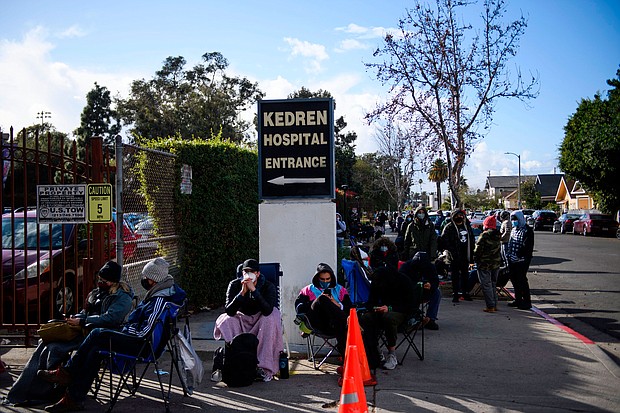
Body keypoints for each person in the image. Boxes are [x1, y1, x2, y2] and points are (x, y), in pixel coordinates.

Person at [37, 257, 186, 413]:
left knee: (98, 334)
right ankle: (73, 397)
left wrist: (123, 331)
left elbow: (145, 332)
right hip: (136, 338)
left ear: (152, 280)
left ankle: (67, 373)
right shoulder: (158, 294)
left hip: (142, 344)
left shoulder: (160, 300)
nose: (143, 280)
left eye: (145, 278)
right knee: (95, 350)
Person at [2, 261, 133, 407]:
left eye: (104, 281)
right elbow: (85, 312)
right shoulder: (96, 293)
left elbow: (111, 318)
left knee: (56, 348)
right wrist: (75, 318)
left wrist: (83, 321)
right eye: (99, 279)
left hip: (98, 333)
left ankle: (51, 390)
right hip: (83, 330)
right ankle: (23, 392)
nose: (100, 282)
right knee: (46, 344)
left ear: (113, 281)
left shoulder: (122, 297)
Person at [213, 259, 283, 382]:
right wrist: (242, 293)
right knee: (226, 320)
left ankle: (263, 366)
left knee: (271, 318)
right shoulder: (234, 285)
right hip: (242, 318)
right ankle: (237, 357)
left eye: (252, 272)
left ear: (257, 274)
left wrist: (255, 291)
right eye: (246, 271)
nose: (248, 274)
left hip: (261, 317)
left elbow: (267, 310)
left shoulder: (268, 286)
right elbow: (229, 311)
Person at [360, 267, 418, 371]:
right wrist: (374, 308)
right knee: (366, 318)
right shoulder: (377, 281)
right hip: (381, 311)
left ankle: (392, 354)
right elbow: (370, 302)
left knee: (389, 318)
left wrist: (390, 308)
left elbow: (410, 305)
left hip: (401, 312)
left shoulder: (403, 281)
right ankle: (375, 350)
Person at [295, 263, 352, 354]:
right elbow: (299, 308)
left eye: (328, 279)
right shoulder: (308, 290)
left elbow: (350, 308)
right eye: (322, 279)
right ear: (317, 278)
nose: (325, 281)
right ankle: (352, 324)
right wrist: (318, 302)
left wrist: (336, 304)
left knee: (341, 322)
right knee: (322, 299)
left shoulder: (340, 290)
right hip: (317, 322)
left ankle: (346, 357)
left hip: (335, 324)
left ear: (332, 278)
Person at [398, 251, 441, 330]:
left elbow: (435, 281)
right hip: (409, 292)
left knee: (437, 292)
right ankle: (413, 318)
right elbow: (401, 282)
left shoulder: (430, 267)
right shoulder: (406, 267)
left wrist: (431, 285)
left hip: (425, 291)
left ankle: (431, 319)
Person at [441, 209, 475, 303]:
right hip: (454, 257)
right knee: (455, 277)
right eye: (457, 215)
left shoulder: (467, 227)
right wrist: (452, 251)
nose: (459, 217)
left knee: (465, 275)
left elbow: (471, 240)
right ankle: (455, 294)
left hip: (465, 255)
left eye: (461, 215)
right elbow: (444, 241)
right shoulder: (449, 227)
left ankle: (465, 293)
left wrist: (471, 255)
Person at [506, 211, 535, 310]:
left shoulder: (527, 230)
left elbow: (527, 246)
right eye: (512, 219)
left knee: (522, 280)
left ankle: (527, 302)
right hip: (512, 259)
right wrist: (509, 255)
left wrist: (520, 255)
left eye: (516, 219)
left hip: (522, 260)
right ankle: (518, 299)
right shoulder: (514, 229)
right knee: (514, 280)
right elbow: (510, 242)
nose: (514, 221)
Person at [474, 216, 502, 313]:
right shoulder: (498, 235)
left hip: (484, 264)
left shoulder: (484, 235)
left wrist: (474, 259)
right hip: (496, 263)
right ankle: (495, 304)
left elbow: (478, 250)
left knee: (486, 285)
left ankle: (490, 306)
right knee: (493, 284)